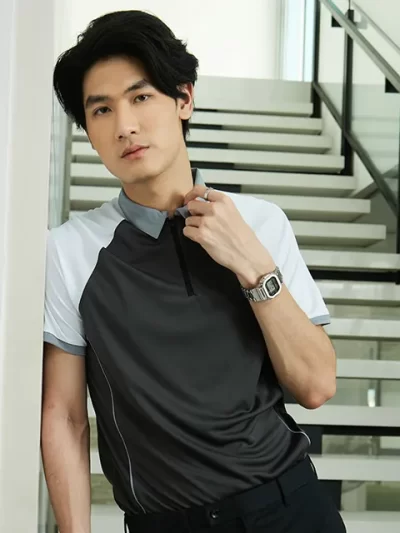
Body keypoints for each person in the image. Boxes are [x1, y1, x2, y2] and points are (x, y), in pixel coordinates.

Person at [41, 10, 346, 533]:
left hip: (289, 507)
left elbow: (315, 386)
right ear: (89, 132)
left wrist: (253, 266)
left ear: (184, 99)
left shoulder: (260, 222)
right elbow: (65, 416)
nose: (125, 126)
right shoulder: (70, 251)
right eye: (102, 110)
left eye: (141, 97)